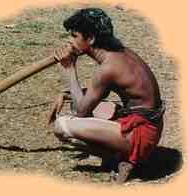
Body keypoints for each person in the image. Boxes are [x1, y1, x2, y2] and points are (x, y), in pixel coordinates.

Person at [47, 8, 165, 183]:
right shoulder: (121, 52)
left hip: (141, 136)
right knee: (78, 102)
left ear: (91, 38)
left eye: (74, 36)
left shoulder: (108, 68)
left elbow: (81, 112)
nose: (69, 41)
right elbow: (90, 99)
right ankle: (123, 153)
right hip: (147, 125)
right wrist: (67, 95)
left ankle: (122, 157)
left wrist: (69, 69)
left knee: (61, 126)